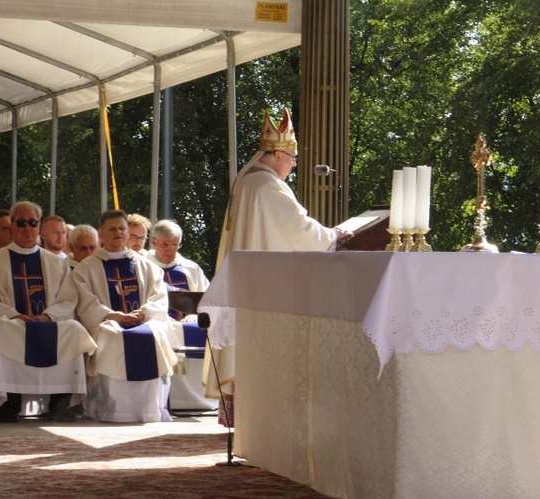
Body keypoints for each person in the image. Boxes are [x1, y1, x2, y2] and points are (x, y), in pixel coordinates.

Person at [209, 108, 353, 425]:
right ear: (277, 155)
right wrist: (333, 235)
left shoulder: (247, 181)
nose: (294, 164)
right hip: (261, 294)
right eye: (293, 157)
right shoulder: (268, 186)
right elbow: (298, 229)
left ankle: (251, 428)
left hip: (249, 287)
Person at [0, 201, 96, 422]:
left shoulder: (55, 262)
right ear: (11, 227)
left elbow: (68, 298)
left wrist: (47, 316)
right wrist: (13, 314)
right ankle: (7, 403)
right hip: (12, 322)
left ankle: (62, 401)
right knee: (0, 331)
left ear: (38, 227)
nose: (26, 228)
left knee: (74, 330)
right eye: (21, 223)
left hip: (47, 320)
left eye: (32, 223)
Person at [72, 209, 176, 422]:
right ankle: (113, 409)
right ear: (101, 234)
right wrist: (112, 315)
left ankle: (149, 409)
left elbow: (159, 296)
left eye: (122, 228)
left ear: (128, 232)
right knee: (112, 336)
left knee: (153, 335)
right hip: (108, 323)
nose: (118, 233)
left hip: (142, 320)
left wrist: (143, 313)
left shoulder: (147, 265)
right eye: (112, 229)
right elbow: (85, 301)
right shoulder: (87, 267)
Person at [146, 219, 217, 412]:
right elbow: (142, 301)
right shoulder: (143, 265)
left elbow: (208, 297)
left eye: (175, 245)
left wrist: (197, 313)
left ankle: (202, 397)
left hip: (190, 322)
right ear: (153, 242)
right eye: (165, 245)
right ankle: (171, 399)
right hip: (160, 322)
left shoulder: (190, 268)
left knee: (212, 331)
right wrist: (159, 315)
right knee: (165, 330)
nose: (170, 250)